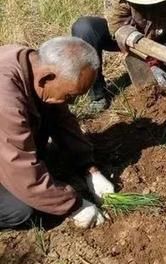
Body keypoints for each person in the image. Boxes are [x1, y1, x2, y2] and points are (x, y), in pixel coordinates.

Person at [0, 37, 113, 229]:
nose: (72, 104)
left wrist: (89, 168)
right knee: (19, 210)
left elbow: (62, 121)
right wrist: (73, 205)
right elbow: (18, 164)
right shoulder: (5, 95)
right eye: (70, 96)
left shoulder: (36, 65)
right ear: (46, 78)